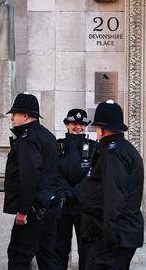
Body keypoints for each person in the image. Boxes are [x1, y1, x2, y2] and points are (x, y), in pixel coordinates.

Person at [78, 100, 144, 270]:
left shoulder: (113, 153)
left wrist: (110, 235)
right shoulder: (120, 148)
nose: (96, 132)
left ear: (102, 129)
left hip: (114, 235)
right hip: (116, 232)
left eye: (97, 128)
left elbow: (114, 196)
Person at [4, 92, 61, 270]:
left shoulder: (28, 139)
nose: (12, 118)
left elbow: (29, 177)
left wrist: (23, 210)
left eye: (15, 114)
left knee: (18, 257)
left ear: (25, 116)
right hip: (49, 208)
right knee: (48, 258)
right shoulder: (47, 136)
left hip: (33, 211)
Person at [56, 108, 98, 270]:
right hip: (63, 205)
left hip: (84, 206)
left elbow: (94, 172)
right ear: (67, 124)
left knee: (86, 250)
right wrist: (67, 190)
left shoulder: (94, 147)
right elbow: (53, 171)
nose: (78, 127)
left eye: (81, 124)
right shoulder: (57, 146)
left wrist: (78, 191)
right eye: (74, 123)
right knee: (60, 248)